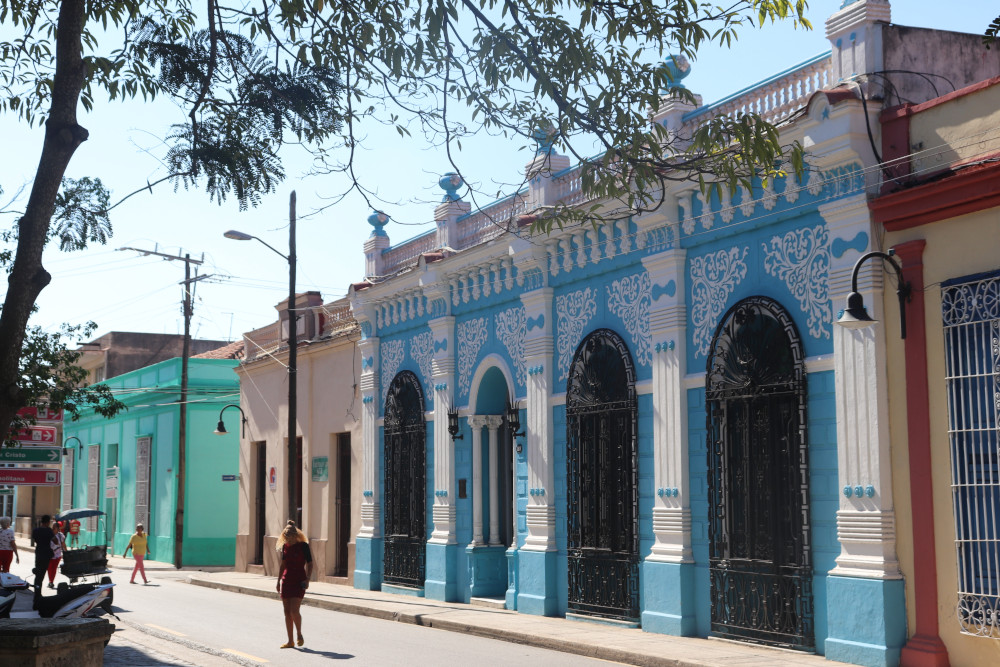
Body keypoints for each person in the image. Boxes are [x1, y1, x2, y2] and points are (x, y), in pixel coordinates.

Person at [275, 520, 312, 649]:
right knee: (286, 612)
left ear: (295, 536)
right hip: (286, 580)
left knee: (294, 611)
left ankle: (299, 634)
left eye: (290, 538)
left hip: (299, 580)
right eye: (286, 538)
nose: (288, 541)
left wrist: (307, 579)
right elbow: (283, 565)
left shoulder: (304, 546)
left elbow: (310, 563)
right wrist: (278, 581)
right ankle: (290, 641)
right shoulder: (285, 547)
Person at [30, 515, 54, 600]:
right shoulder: (49, 531)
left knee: (38, 573)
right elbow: (55, 541)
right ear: (47, 522)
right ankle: (38, 593)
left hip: (39, 552)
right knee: (42, 573)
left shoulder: (36, 530)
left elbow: (34, 539)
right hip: (46, 553)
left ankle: (37, 591)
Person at [47, 521, 66, 588]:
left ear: (58, 529)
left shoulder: (60, 535)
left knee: (54, 569)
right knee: (49, 568)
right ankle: (50, 580)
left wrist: (66, 552)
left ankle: (51, 581)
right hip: (49, 555)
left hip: (57, 555)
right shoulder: (48, 535)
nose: (52, 529)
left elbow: (63, 544)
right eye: (52, 528)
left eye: (54, 528)